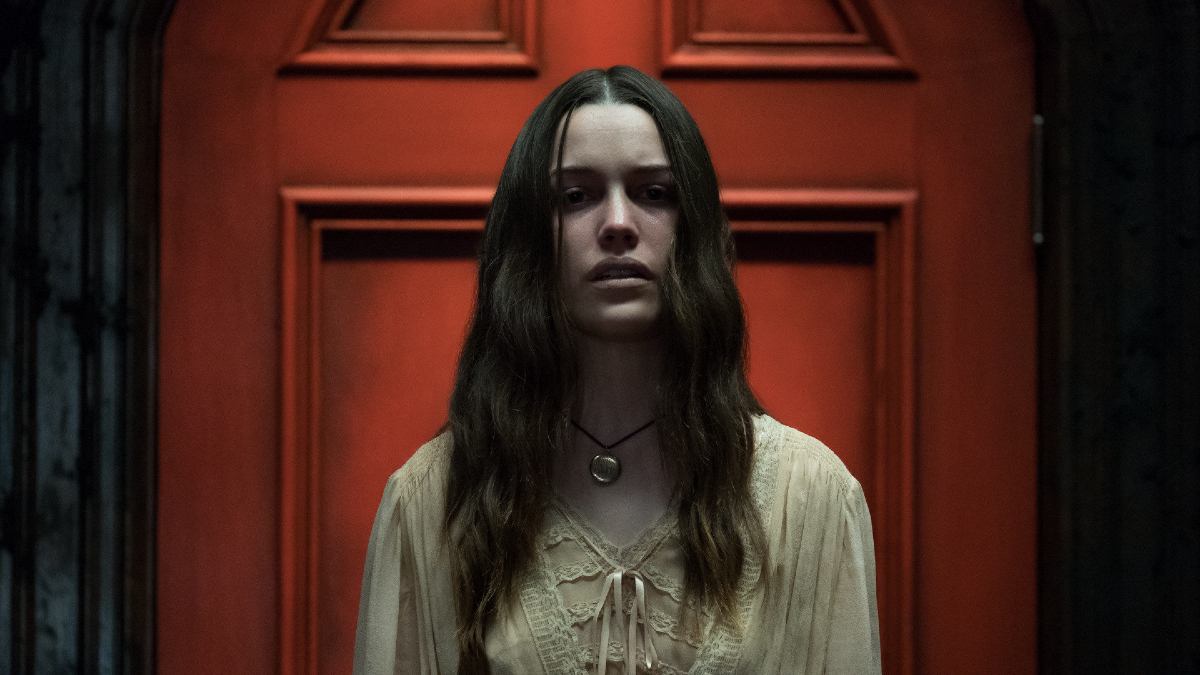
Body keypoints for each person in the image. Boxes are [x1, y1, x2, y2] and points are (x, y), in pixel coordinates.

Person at [352, 65, 881, 675]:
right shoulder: (436, 502)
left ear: (694, 228)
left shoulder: (808, 497)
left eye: (654, 192)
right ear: (529, 235)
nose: (619, 224)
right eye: (575, 197)